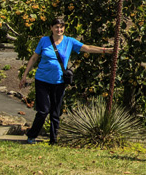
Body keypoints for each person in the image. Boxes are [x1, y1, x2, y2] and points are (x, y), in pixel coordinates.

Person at [20, 16, 116, 145]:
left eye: (61, 27)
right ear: (51, 28)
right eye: (56, 27)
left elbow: (87, 48)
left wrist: (106, 50)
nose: (59, 29)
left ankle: (53, 140)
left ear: (63, 28)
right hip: (42, 80)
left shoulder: (69, 41)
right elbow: (34, 58)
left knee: (55, 112)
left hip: (59, 81)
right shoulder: (44, 41)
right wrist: (25, 75)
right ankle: (32, 136)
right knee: (43, 111)